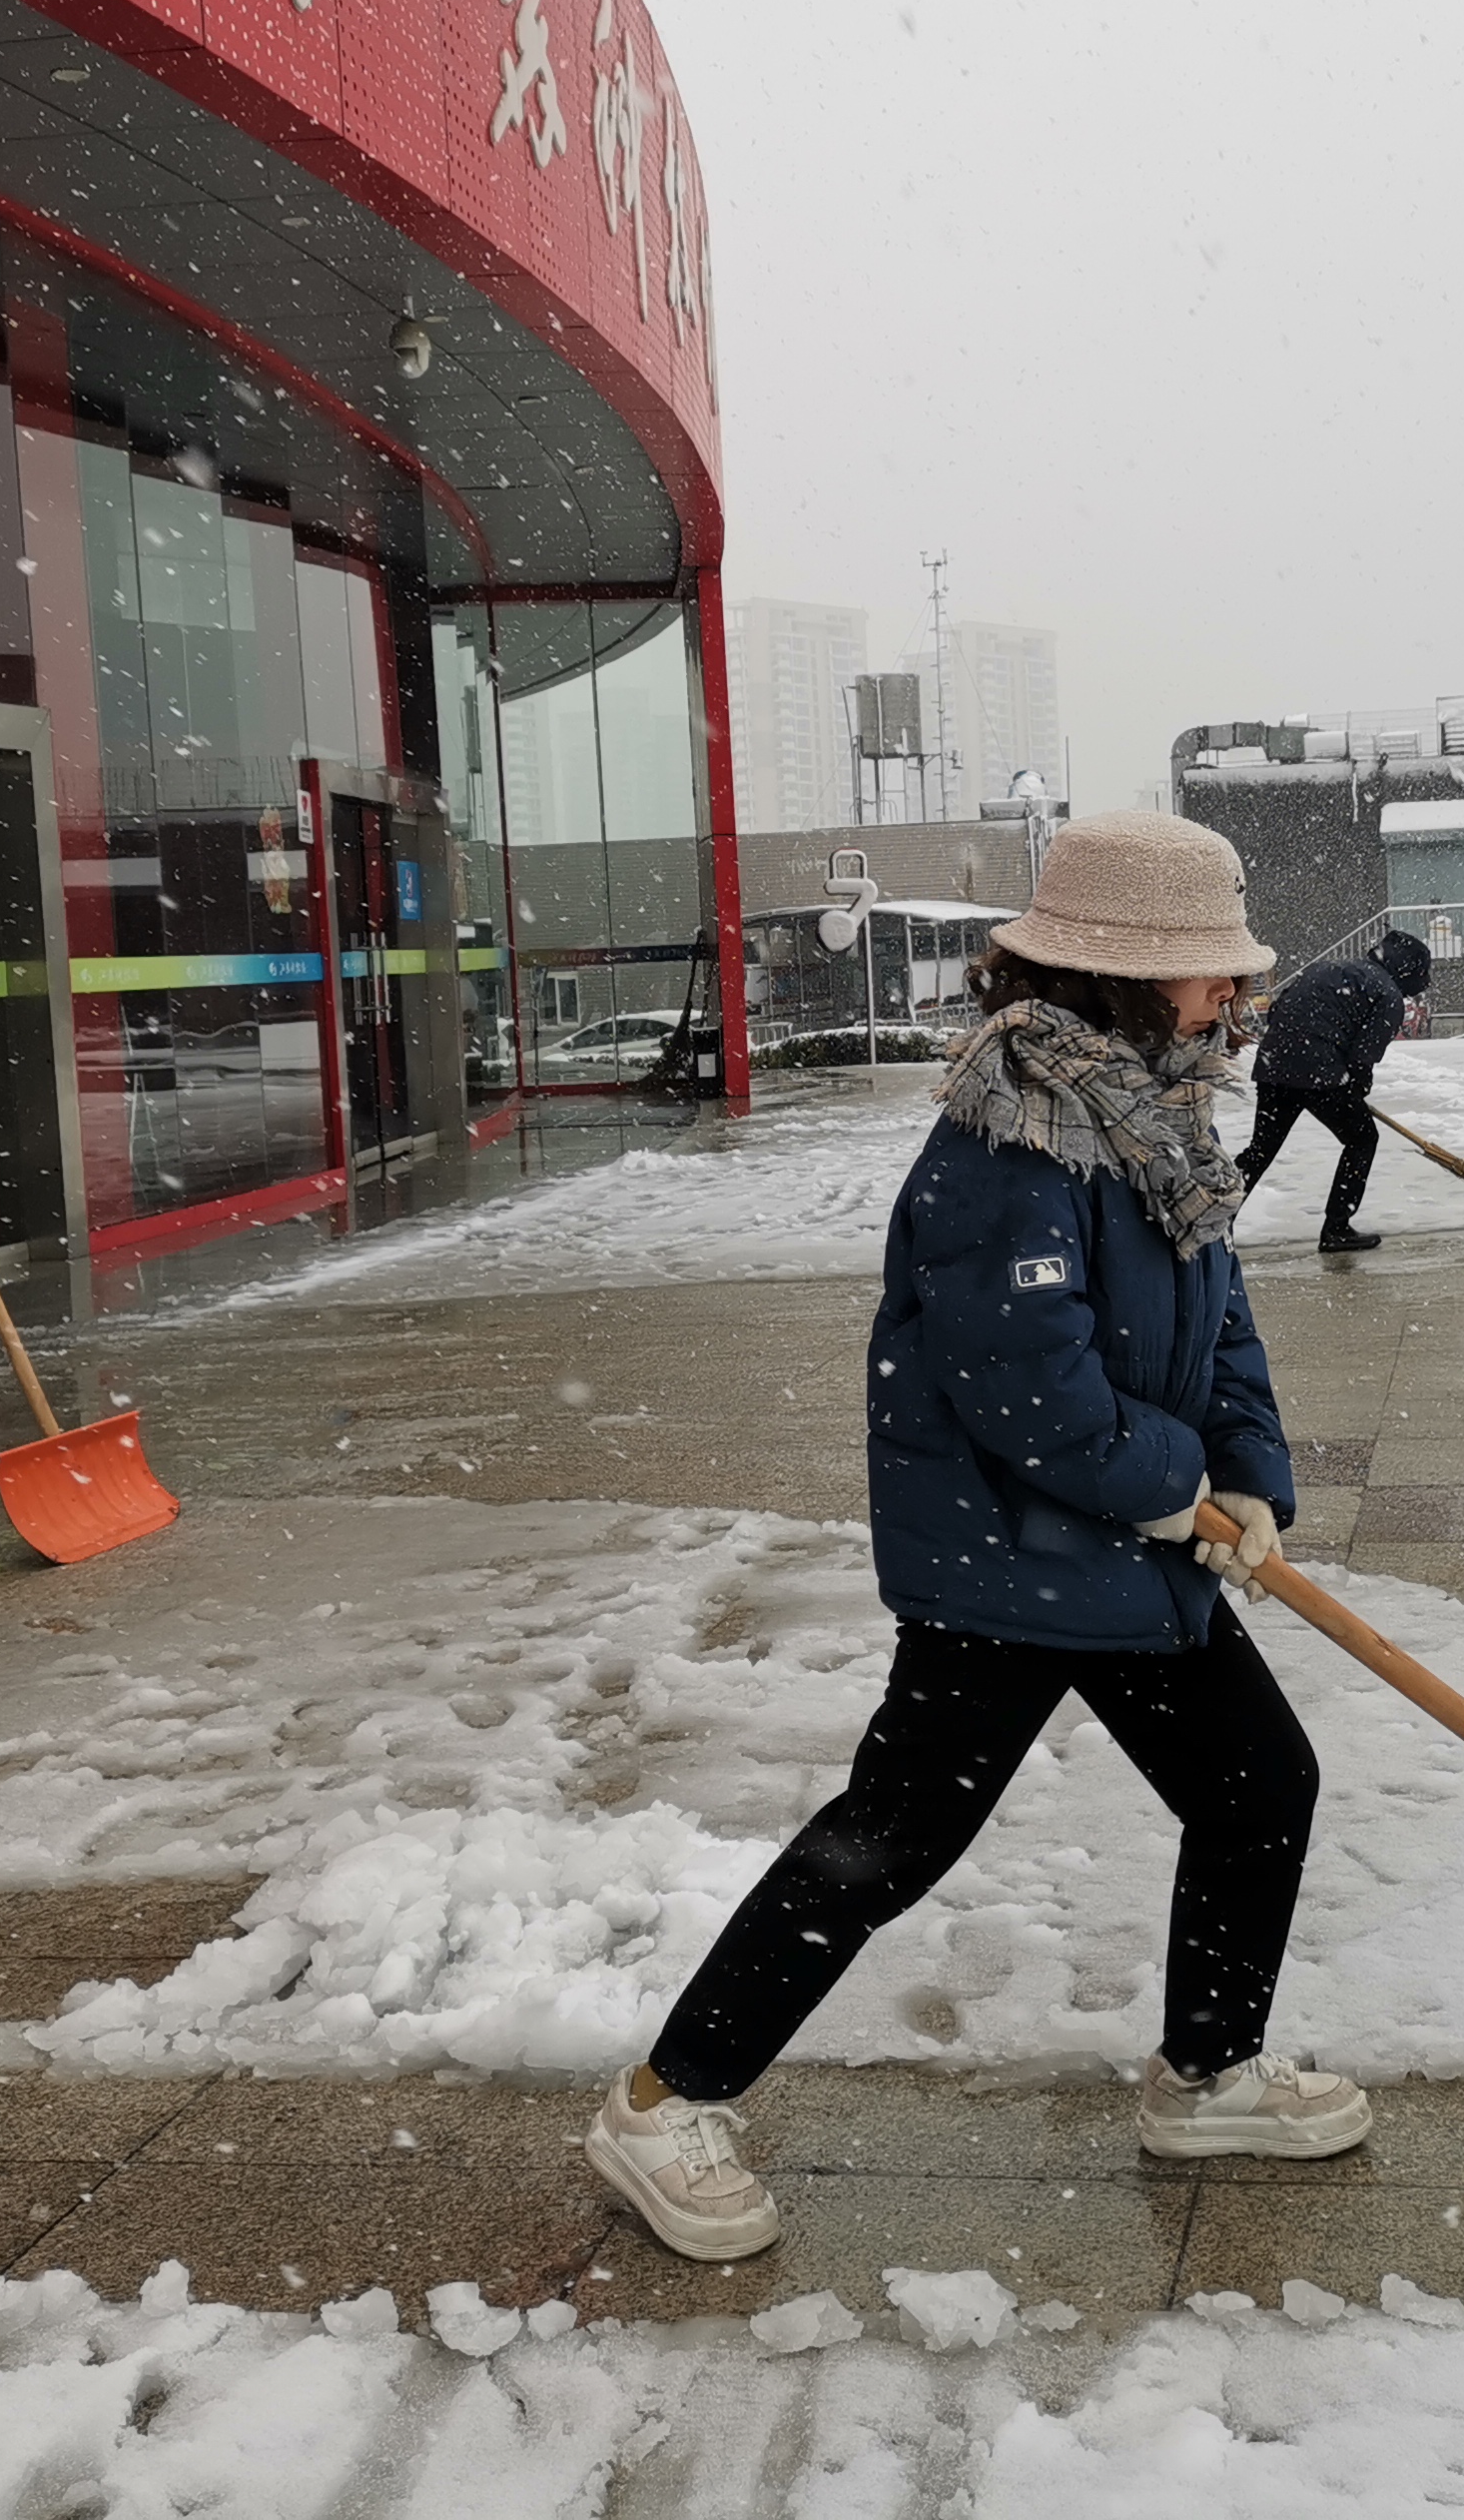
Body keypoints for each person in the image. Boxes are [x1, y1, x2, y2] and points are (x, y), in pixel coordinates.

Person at [586, 809, 1371, 2261]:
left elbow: (1223, 1322)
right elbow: (1023, 1380)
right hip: (1006, 1564)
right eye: (1211, 964)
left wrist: (1249, 1475)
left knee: (1260, 1785)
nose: (1236, 988)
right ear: (1125, 972)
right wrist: (1164, 1484)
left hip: (1134, 1550)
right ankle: (663, 2102)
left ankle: (1208, 2076)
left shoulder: (1161, 1115)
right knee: (890, 1841)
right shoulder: (1008, 1140)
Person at [1236, 929, 1434, 1253]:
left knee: (1260, 1150)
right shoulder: (1387, 994)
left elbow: (1276, 1010)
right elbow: (1363, 1055)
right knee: (1362, 1139)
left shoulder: (1327, 968)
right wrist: (1357, 1086)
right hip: (1319, 1072)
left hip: (1275, 1065)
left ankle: (1213, 1222)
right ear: (1407, 970)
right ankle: (1337, 1228)